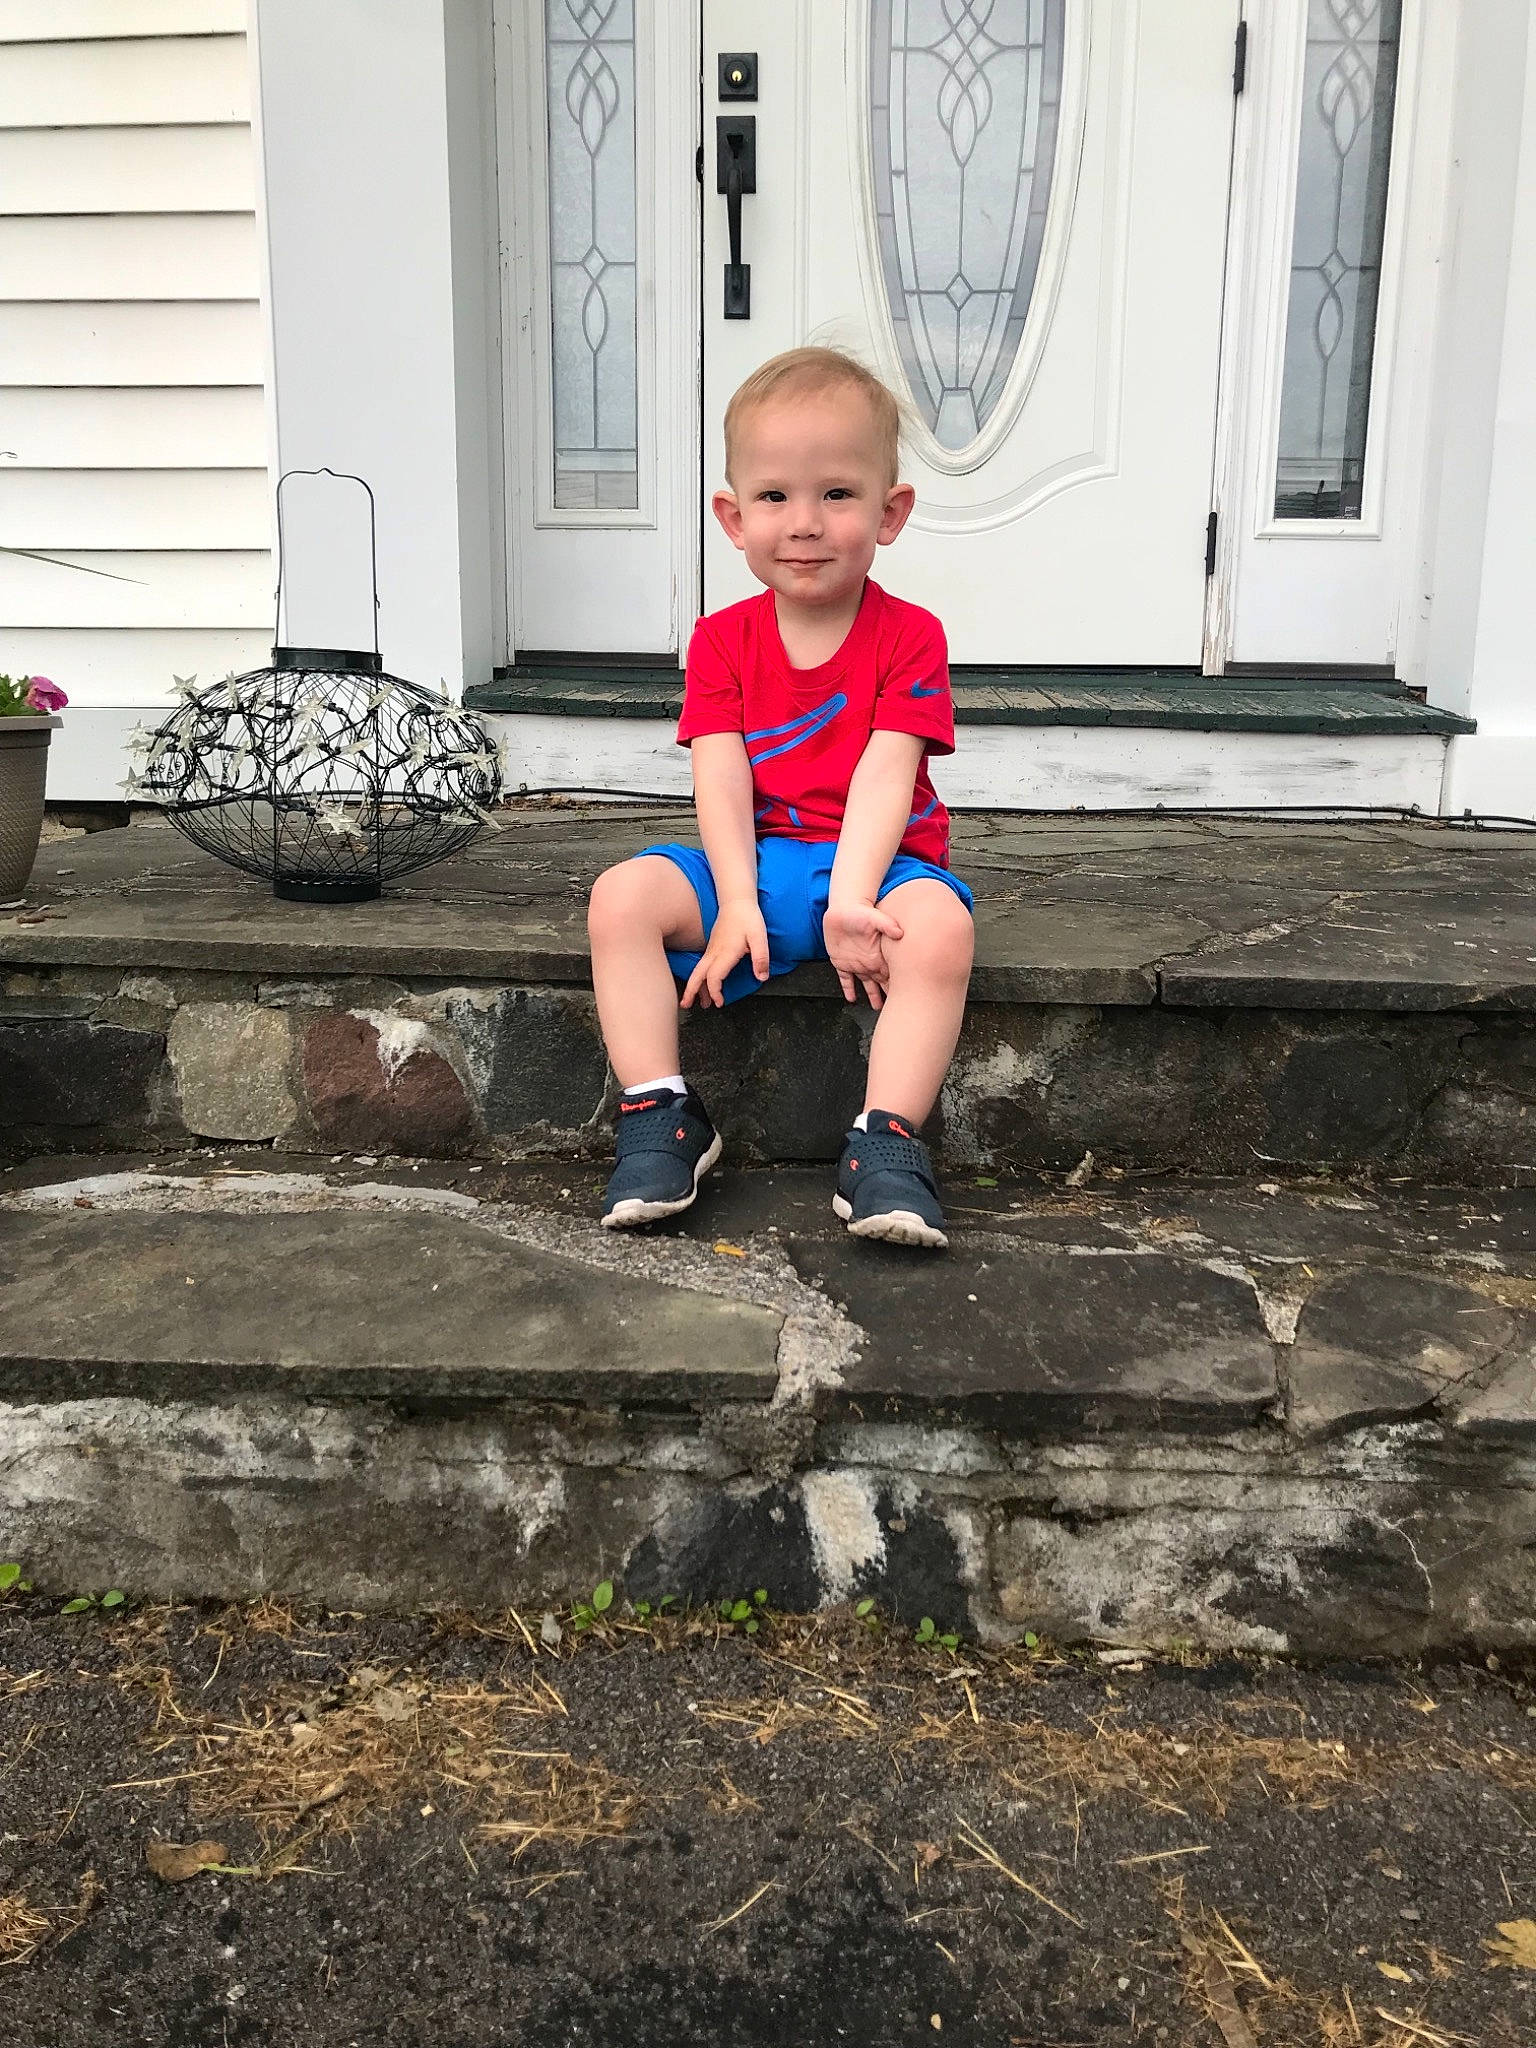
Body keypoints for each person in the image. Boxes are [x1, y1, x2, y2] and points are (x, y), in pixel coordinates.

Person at [586, 347, 974, 1249]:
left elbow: (887, 771)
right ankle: (662, 1113)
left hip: (877, 869)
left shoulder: (910, 637)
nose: (804, 523)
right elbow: (720, 774)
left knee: (944, 933)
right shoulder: (721, 641)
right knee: (621, 898)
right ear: (733, 516)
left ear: (890, 512)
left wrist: (853, 899)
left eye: (837, 493)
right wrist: (731, 903)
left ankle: (886, 1143)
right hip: (754, 868)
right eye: (774, 496)